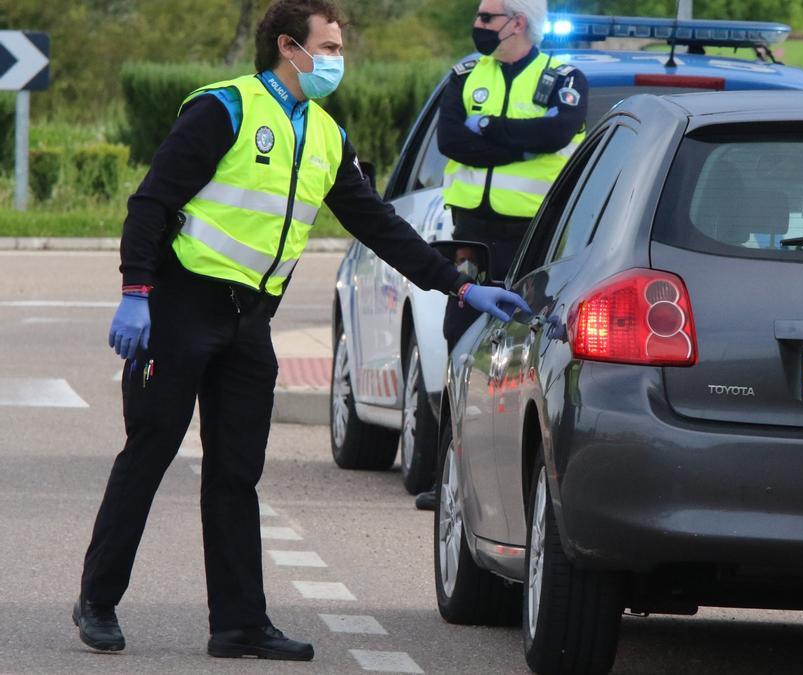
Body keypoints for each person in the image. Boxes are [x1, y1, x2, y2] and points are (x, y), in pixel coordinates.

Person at [73, 0, 530, 661]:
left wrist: (457, 282)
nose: (339, 61)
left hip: (250, 323)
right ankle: (98, 600)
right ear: (290, 47)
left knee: (236, 475)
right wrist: (135, 293)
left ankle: (239, 623)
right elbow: (151, 202)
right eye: (331, 46)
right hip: (180, 310)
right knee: (148, 455)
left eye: (341, 48)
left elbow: (378, 224)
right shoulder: (225, 110)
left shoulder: (324, 134)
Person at [412, 0, 588, 511]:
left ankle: (516, 485)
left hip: (535, 240)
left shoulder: (562, 77)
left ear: (518, 22)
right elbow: (451, 140)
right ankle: (446, 480)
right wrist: (517, 142)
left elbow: (557, 134)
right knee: (459, 347)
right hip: (472, 237)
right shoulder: (465, 74)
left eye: (488, 17)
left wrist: (486, 131)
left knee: (523, 355)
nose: (477, 25)